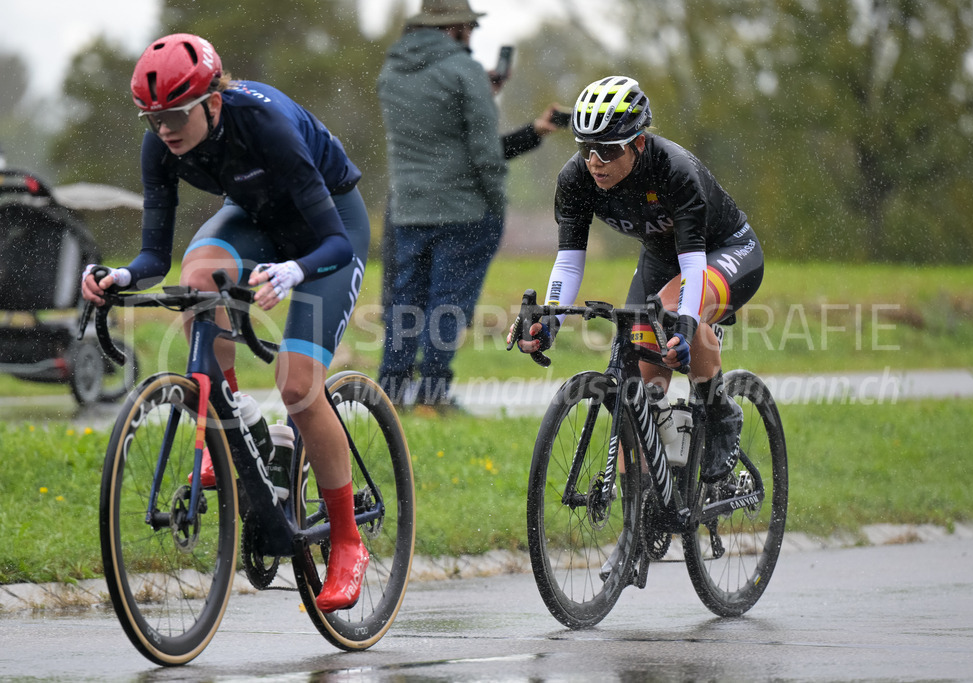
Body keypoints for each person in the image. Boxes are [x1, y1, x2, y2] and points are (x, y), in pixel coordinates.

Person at [81, 33, 371, 613]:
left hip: (327, 232)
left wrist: (295, 271)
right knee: (196, 278)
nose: (164, 128)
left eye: (175, 114)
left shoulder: (265, 125)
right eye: (152, 117)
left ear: (214, 99)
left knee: (297, 385)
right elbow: (153, 259)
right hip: (259, 220)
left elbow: (337, 239)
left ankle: (347, 541)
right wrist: (120, 276)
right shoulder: (160, 147)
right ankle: (232, 418)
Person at [513, 75, 764, 488]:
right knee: (640, 389)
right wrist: (551, 320)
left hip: (723, 252)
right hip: (661, 259)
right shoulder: (575, 179)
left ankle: (720, 412)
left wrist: (685, 323)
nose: (596, 160)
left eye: (608, 149)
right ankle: (648, 504)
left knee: (670, 312)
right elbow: (569, 263)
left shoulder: (674, 170)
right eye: (585, 147)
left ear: (639, 142)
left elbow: (694, 264)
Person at [376, 0, 563, 411]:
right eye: (469, 29)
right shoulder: (465, 72)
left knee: (404, 304)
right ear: (455, 27)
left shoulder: (392, 72)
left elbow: (440, 140)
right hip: (463, 214)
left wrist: (528, 131)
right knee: (448, 304)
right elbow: (483, 156)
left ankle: (389, 394)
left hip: (407, 210)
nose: (472, 38)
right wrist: (496, 207)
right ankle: (433, 394)